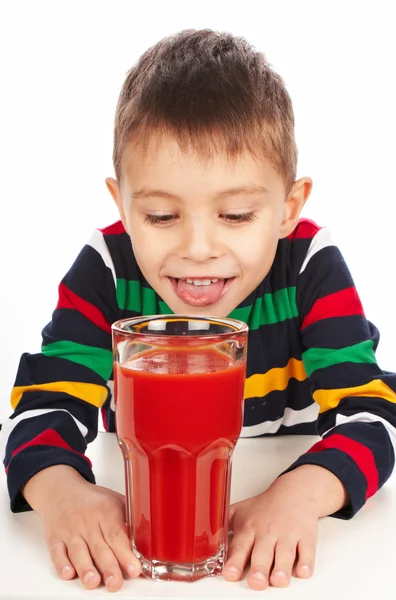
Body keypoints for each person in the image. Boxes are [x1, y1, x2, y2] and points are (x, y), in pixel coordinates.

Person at [1, 28, 396, 593]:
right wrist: (62, 491)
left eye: (235, 215)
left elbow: (374, 416)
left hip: (291, 470)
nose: (198, 248)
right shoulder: (107, 267)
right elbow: (41, 406)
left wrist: (300, 494)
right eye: (161, 216)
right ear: (123, 205)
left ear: (288, 208)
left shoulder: (310, 265)